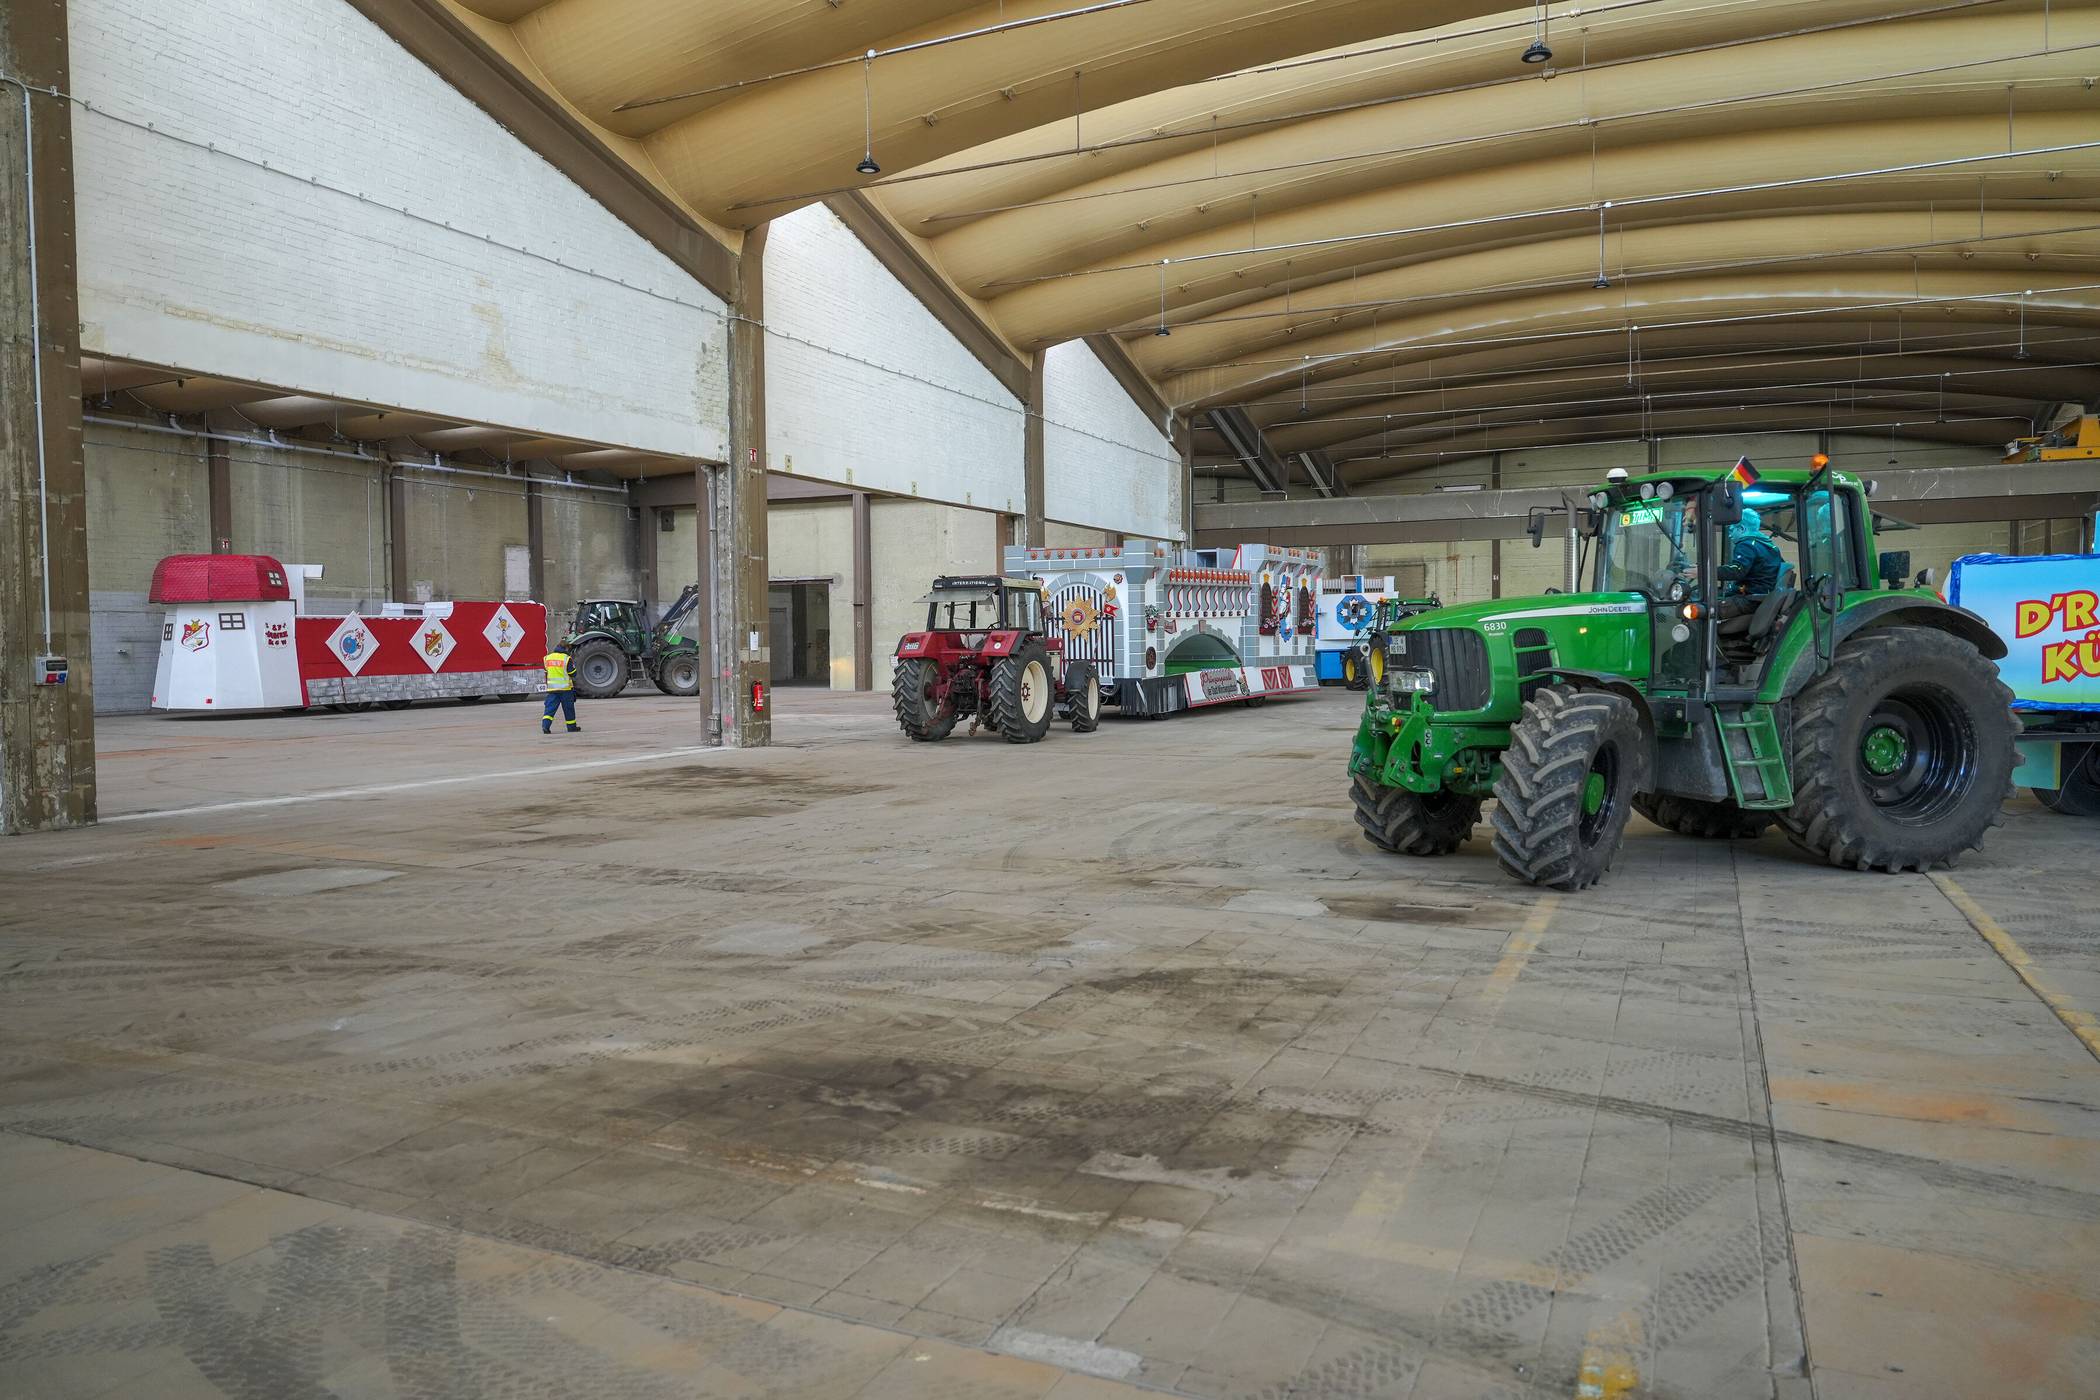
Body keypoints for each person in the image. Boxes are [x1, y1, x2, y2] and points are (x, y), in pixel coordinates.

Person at [1717, 507, 1784, 599]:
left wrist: (1708, 572)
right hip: (1765, 596)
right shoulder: (1771, 547)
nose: (1729, 535)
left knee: (1708, 607)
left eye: (1732, 530)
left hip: (1750, 598)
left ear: (1742, 529)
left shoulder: (1746, 545)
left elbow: (1737, 570)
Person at [541, 646, 580, 734]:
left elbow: (546, 671)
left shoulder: (547, 658)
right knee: (568, 709)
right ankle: (571, 727)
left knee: (550, 709)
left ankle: (545, 726)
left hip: (552, 689)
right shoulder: (566, 658)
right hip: (565, 689)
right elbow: (572, 673)